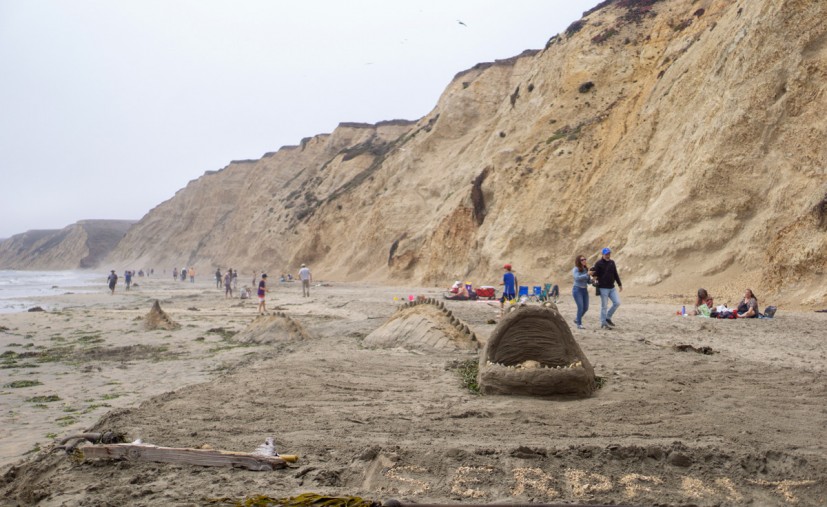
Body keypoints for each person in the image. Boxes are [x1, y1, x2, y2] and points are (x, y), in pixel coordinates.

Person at [590, 247, 622, 330]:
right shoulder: (598, 263)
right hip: (603, 288)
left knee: (617, 302)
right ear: (603, 254)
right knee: (604, 306)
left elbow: (615, 274)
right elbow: (595, 275)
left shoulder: (612, 262)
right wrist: (592, 277)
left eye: (609, 254)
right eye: (606, 254)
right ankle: (603, 323)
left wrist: (619, 284)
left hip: (612, 287)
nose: (608, 255)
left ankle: (608, 317)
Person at [572, 255, 591, 329]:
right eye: (582, 260)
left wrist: (593, 280)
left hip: (584, 290)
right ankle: (579, 324)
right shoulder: (575, 269)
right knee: (580, 307)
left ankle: (577, 319)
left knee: (586, 308)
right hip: (577, 290)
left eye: (585, 259)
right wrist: (587, 274)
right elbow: (577, 278)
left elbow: (588, 281)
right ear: (578, 261)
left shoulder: (586, 269)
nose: (584, 261)